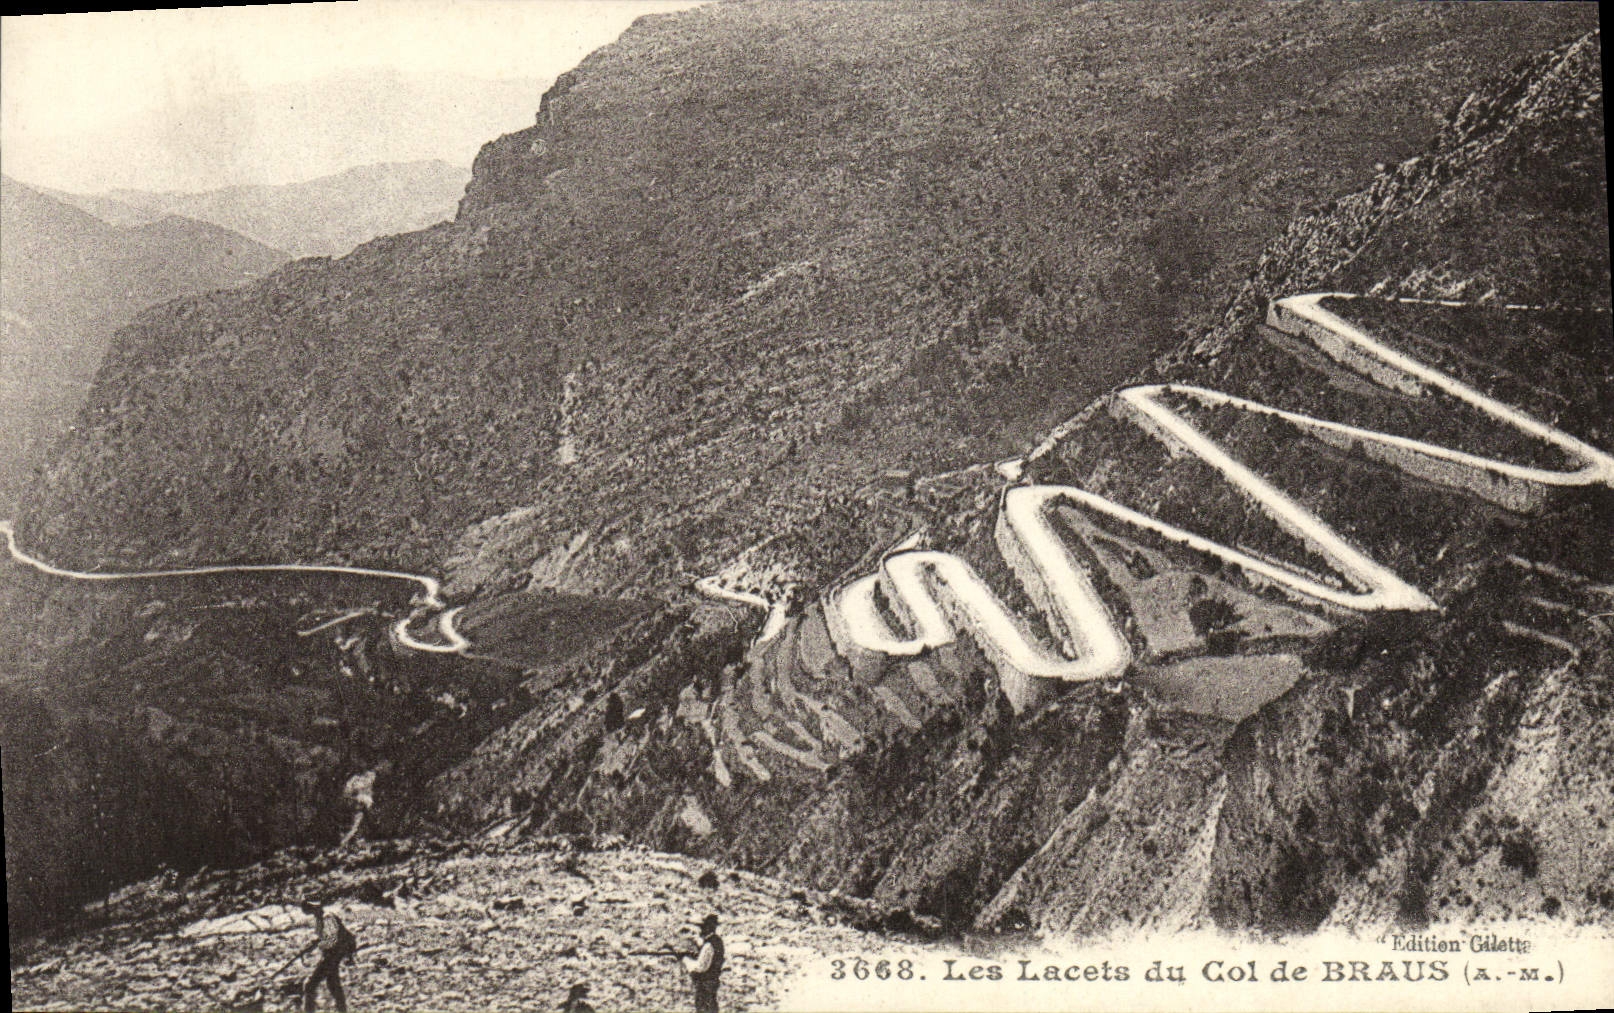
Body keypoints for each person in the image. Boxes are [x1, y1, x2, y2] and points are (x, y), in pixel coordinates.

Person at [298, 899, 357, 1012]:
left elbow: (333, 939)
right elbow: (324, 937)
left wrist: (319, 945)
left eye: (312, 909)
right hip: (332, 954)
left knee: (310, 986)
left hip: (335, 953)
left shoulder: (327, 918)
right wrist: (311, 945)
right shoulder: (319, 920)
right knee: (333, 984)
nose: (312, 911)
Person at [681, 913, 724, 1013]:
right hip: (712, 983)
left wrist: (685, 960)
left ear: (707, 928)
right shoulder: (717, 941)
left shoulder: (709, 945)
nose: (700, 930)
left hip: (705, 986)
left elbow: (700, 967)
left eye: (702, 927)